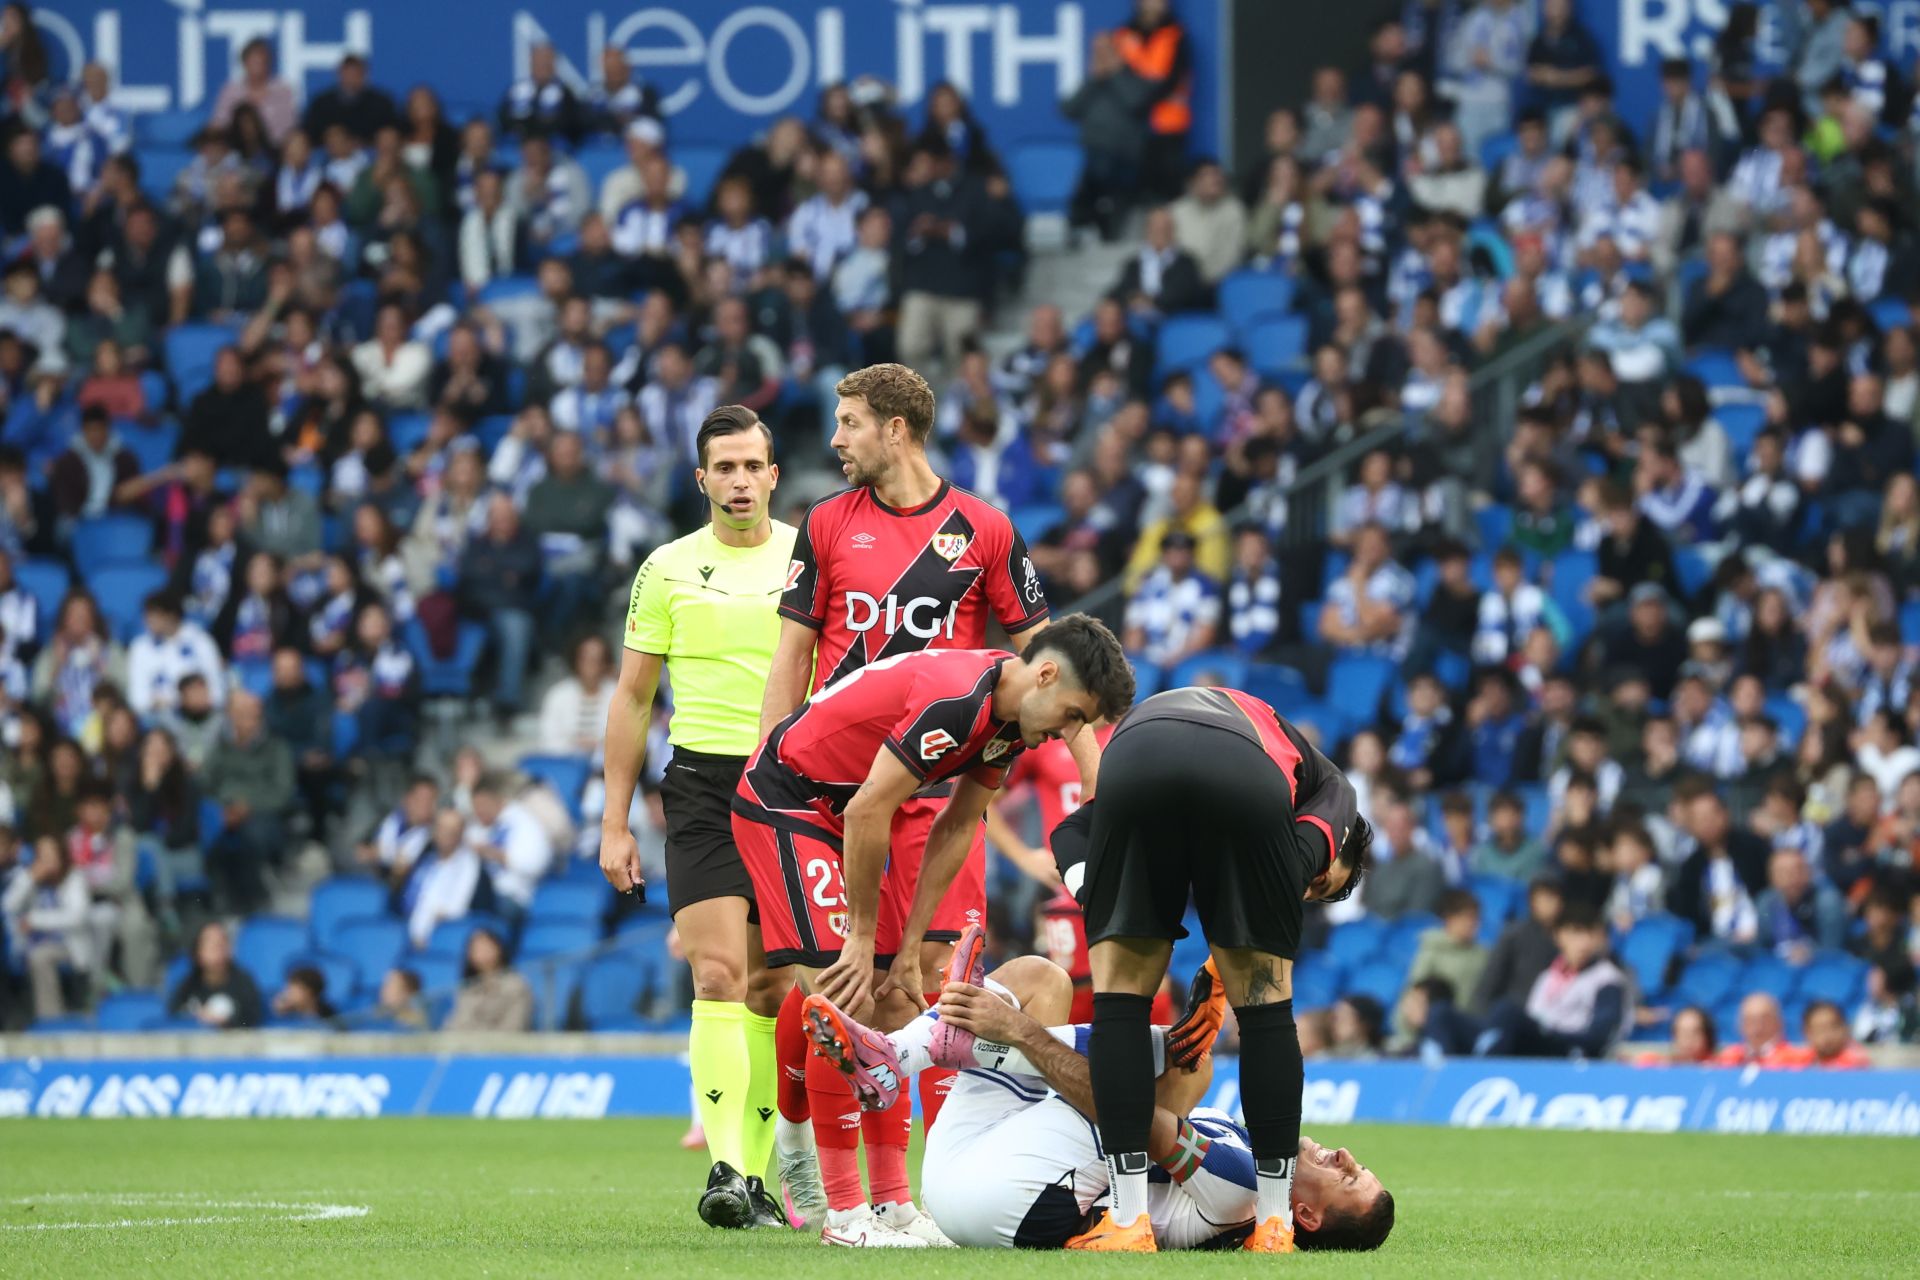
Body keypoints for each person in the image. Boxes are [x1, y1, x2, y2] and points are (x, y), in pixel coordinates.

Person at [757, 360, 1072, 1222]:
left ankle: (928, 1191)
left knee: (929, 984)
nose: (835, 439)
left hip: (933, 795)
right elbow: (794, 655)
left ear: (896, 429)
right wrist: (768, 761)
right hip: (834, 786)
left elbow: (1051, 662)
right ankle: (800, 1146)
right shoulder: (824, 525)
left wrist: (1092, 762)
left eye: (849, 422)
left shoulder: (986, 530)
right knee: (842, 981)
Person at [735, 619, 1131, 1247]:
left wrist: (910, 948)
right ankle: (842, 1215)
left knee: (895, 1000)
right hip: (789, 800)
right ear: (1046, 675)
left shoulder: (1008, 725)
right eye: (1073, 715)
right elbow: (869, 808)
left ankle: (892, 1208)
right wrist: (863, 940)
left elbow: (956, 827)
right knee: (847, 996)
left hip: (846, 813)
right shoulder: (957, 699)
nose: (1068, 735)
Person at [803, 944, 1392, 1250]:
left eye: (1347, 1177)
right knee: (1041, 979)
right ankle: (904, 1054)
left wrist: (1017, 1033)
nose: (1343, 1156)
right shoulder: (1244, 1153)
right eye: (1357, 1165)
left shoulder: (1251, 1190)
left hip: (1011, 1198)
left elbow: (1128, 1117)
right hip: (970, 1168)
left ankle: (917, 1051)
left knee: (1180, 1070)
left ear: (1306, 1216)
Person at [1062, 685, 1370, 1252]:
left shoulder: (1261, 724)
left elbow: (1069, 834)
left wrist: (1101, 898)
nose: (1310, 887)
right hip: (1241, 773)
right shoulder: (1338, 792)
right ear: (1345, 845)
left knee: (1121, 1003)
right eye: (1323, 883)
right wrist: (1239, 955)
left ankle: (1127, 1222)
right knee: (1268, 1011)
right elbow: (1287, 867)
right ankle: (1276, 1224)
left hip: (1134, 750)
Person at [598, 406, 798, 1230]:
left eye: (754, 466)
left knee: (771, 986)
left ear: (774, 474)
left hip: (792, 783)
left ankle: (754, 1178)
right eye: (726, 468)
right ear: (702, 479)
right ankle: (720, 1165)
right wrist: (614, 822)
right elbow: (633, 697)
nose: (741, 481)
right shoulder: (667, 568)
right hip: (703, 789)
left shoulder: (808, 557)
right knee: (715, 975)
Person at [1, 833, 91, 1019]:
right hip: (30, 945)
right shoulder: (30, 878)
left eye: (51, 855)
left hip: (68, 945)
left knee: (40, 957)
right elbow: (8, 906)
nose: (47, 861)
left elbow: (77, 917)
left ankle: (50, 1019)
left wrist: (35, 920)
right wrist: (29, 878)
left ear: (61, 856)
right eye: (42, 856)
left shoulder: (74, 877)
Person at [166, 921, 264, 1029]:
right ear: (198, 952)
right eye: (211, 945)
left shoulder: (244, 983)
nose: (219, 949)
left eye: (222, 943)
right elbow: (174, 1018)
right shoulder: (187, 986)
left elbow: (253, 1020)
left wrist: (226, 1023)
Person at [444, 926, 533, 1032]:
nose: (482, 951)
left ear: (499, 948)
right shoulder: (466, 990)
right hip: (466, 1047)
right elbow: (453, 1026)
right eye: (475, 948)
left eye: (486, 945)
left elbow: (514, 1027)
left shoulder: (517, 985)